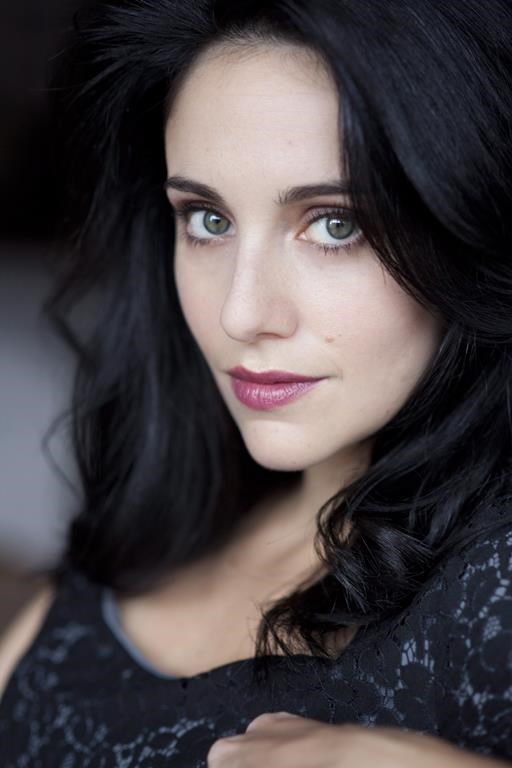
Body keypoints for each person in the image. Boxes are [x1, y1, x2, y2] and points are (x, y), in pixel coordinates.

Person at [1, 0, 511, 765]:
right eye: (207, 219)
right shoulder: (146, 539)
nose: (240, 314)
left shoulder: (494, 587)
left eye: (336, 224)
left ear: (471, 221)